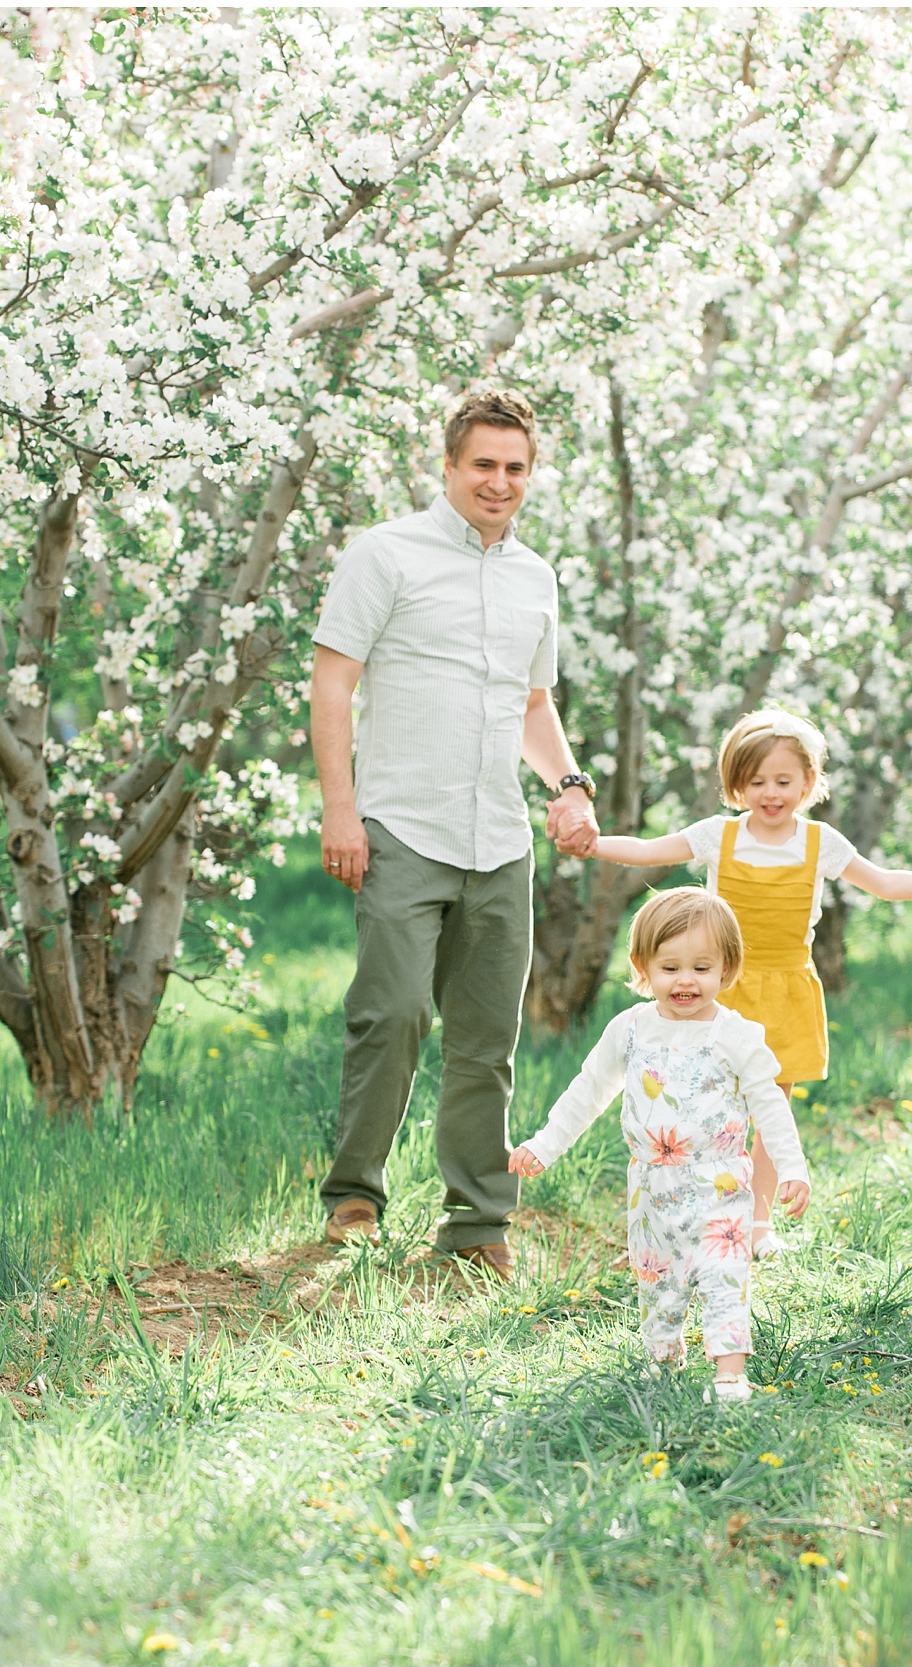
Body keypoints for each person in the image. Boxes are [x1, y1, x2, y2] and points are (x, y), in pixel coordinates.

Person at [309, 388, 600, 1279]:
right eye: (484, 465)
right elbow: (331, 684)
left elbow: (534, 706)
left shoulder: (535, 578)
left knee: (486, 1039)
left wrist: (571, 784)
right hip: (400, 825)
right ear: (449, 465)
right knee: (392, 1013)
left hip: (499, 841)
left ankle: (477, 1221)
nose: (499, 482)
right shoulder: (384, 555)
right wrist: (340, 807)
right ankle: (354, 1192)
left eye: (516, 468)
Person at [588, 709, 912, 1259]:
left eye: (783, 782)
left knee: (771, 1106)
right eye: (756, 782)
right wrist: (592, 843)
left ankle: (755, 1224)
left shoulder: (820, 842)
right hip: (718, 988)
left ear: (808, 781)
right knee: (696, 1101)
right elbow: (647, 849)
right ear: (735, 783)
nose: (770, 794)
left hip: (786, 990)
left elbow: (885, 883)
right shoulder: (720, 835)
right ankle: (678, 1210)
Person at [509, 889, 812, 1401]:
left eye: (701, 967)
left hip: (720, 1183)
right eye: (670, 967)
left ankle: (729, 1375)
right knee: (657, 1280)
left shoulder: (736, 1035)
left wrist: (792, 1168)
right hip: (652, 1186)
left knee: (725, 1275)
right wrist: (545, 1144)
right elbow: (588, 1091)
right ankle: (662, 1362)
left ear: (726, 968)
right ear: (643, 966)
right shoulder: (630, 1030)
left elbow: (770, 1106)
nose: (685, 981)